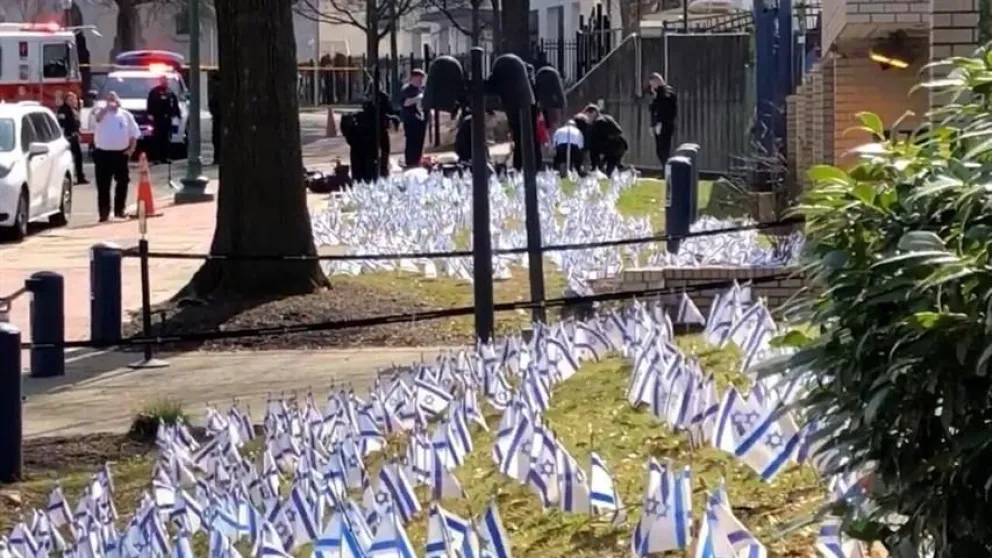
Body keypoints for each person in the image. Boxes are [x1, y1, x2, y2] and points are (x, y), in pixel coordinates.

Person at [90, 91, 140, 222]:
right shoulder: (99, 111)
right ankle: (104, 213)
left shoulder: (125, 115)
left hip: (120, 154)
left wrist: (131, 150)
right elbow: (97, 119)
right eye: (109, 98)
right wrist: (106, 108)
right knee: (103, 185)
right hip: (103, 154)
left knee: (123, 182)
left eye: (114, 98)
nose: (112, 101)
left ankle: (119, 210)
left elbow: (134, 134)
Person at [582, 104, 627, 174]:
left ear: (594, 113)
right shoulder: (606, 117)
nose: (587, 118)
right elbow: (618, 131)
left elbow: (593, 144)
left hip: (614, 148)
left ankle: (596, 170)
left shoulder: (598, 122)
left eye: (588, 115)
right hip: (620, 146)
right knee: (610, 168)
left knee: (594, 150)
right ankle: (628, 170)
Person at [145, 75, 180, 164]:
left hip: (167, 118)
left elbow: (174, 103)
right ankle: (156, 158)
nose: (165, 82)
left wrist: (176, 114)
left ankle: (166, 157)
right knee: (157, 138)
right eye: (163, 80)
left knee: (167, 138)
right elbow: (150, 103)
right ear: (160, 81)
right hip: (157, 118)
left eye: (166, 80)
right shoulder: (154, 92)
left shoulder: (170, 92)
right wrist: (150, 114)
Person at [56, 92, 88, 184]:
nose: (74, 101)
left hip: (74, 136)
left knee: (78, 157)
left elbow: (76, 124)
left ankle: (80, 177)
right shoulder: (63, 110)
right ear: (66, 101)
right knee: (70, 158)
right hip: (68, 138)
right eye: (71, 99)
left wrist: (79, 133)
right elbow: (61, 124)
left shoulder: (73, 110)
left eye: (74, 99)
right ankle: (73, 178)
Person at [649, 72, 678, 166]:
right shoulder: (657, 94)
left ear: (657, 81)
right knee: (659, 150)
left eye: (653, 84)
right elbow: (654, 110)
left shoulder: (667, 92)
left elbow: (665, 108)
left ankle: (667, 170)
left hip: (665, 124)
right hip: (658, 124)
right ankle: (664, 169)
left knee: (664, 148)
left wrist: (660, 122)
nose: (652, 87)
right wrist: (652, 125)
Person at [400, 69, 427, 168]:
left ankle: (417, 161)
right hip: (410, 120)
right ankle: (410, 162)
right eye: (419, 79)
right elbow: (405, 103)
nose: (420, 82)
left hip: (420, 119)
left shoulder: (420, 89)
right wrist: (418, 98)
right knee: (411, 142)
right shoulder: (407, 89)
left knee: (419, 142)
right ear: (414, 78)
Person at [207, 71, 221, 165]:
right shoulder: (220, 90)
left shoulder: (217, 91)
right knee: (217, 139)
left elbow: (212, 104)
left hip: (218, 118)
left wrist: (214, 113)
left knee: (217, 139)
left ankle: (217, 158)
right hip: (219, 117)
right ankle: (218, 158)